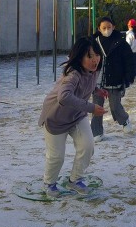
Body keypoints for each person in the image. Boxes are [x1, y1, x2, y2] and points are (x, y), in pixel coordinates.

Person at [38, 37, 108, 198]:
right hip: (56, 118)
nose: (95, 60)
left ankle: (75, 180)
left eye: (97, 55)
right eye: (89, 56)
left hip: (77, 116)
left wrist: (96, 90)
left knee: (87, 146)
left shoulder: (94, 70)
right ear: (79, 57)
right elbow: (64, 97)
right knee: (57, 157)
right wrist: (91, 107)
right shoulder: (72, 74)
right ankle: (49, 183)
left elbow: (87, 83)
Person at [90, 17, 136, 141]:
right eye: (104, 28)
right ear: (99, 29)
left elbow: (130, 61)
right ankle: (96, 132)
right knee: (96, 107)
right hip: (97, 81)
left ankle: (124, 120)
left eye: (109, 27)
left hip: (115, 80)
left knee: (115, 106)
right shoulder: (94, 42)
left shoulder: (121, 42)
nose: (107, 30)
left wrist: (129, 77)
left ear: (113, 27)